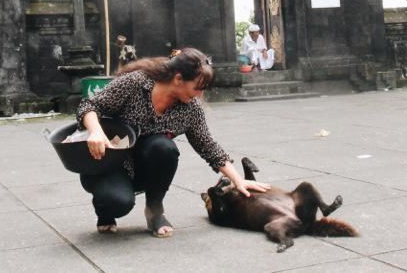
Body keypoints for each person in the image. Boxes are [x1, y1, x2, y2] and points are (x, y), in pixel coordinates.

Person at [77, 47, 269, 238]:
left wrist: (237, 180)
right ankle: (105, 210)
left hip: (144, 165)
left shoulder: (190, 108)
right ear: (178, 78)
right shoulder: (136, 83)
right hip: (109, 160)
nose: (200, 95)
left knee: (164, 148)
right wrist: (95, 131)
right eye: (197, 88)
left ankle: (154, 211)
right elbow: (89, 105)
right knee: (118, 203)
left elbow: (207, 144)